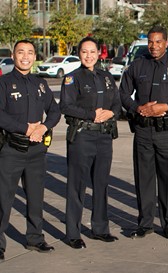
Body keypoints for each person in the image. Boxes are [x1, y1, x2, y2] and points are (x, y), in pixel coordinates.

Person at [120, 25, 168, 239]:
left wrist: (165, 107)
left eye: (158, 42)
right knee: (144, 179)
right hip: (143, 131)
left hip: (167, 132)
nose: (154, 46)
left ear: (166, 43)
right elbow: (123, 93)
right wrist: (137, 108)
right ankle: (144, 223)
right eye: (151, 42)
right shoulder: (137, 65)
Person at [0, 40, 61, 260]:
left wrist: (43, 127)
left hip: (36, 151)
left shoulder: (40, 84)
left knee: (36, 197)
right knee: (3, 198)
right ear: (13, 55)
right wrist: (26, 128)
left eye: (30, 52)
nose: (25, 56)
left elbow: (55, 111)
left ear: (35, 56)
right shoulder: (4, 83)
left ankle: (35, 238)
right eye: (20, 52)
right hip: (12, 149)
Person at [60, 37, 121, 249]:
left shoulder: (106, 77)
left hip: (104, 137)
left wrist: (111, 112)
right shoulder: (72, 78)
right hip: (82, 136)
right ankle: (73, 233)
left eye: (92, 51)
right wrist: (90, 115)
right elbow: (66, 106)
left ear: (98, 53)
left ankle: (100, 228)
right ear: (79, 54)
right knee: (77, 186)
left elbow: (117, 103)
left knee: (101, 184)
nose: (89, 56)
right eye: (84, 52)